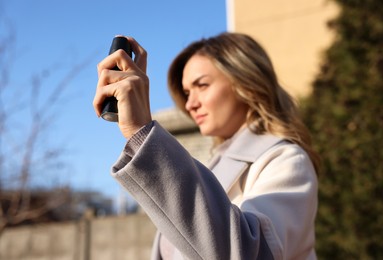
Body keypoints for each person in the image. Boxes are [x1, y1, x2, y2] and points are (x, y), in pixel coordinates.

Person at [93, 32, 320, 260]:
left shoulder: (287, 160)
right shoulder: (210, 170)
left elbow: (254, 253)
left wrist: (141, 132)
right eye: (187, 93)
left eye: (201, 85)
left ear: (247, 84)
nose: (190, 104)